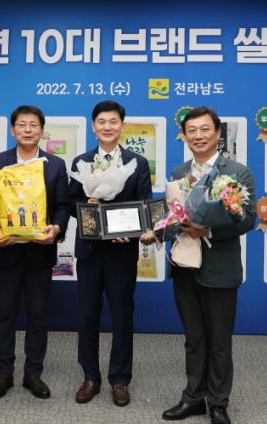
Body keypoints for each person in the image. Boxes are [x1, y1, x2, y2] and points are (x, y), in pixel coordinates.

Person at [162, 107, 256, 424]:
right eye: (192, 130)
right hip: (184, 266)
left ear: (217, 133)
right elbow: (171, 217)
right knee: (193, 338)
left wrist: (209, 229)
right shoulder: (178, 172)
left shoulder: (237, 172)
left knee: (219, 340)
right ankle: (193, 397)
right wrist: (162, 228)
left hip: (220, 268)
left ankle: (218, 403)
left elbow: (247, 219)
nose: (198, 136)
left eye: (205, 129)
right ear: (184, 136)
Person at [0, 105, 70, 400]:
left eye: (33, 125)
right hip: (6, 250)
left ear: (42, 131)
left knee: (38, 316)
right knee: (5, 314)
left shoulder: (54, 165)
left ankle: (33, 374)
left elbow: (63, 206)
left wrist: (56, 229)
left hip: (39, 252)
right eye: (22, 124)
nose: (28, 129)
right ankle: (4, 373)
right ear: (12, 130)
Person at [69, 100, 155, 407]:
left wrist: (131, 230)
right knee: (87, 315)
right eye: (102, 122)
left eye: (113, 121)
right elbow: (70, 204)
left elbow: (145, 204)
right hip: (90, 251)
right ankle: (90, 377)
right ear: (94, 126)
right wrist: (89, 209)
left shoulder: (137, 162)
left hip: (122, 251)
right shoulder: (81, 161)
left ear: (122, 126)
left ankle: (120, 379)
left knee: (122, 316)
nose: (107, 126)